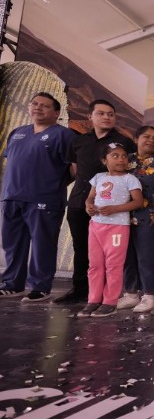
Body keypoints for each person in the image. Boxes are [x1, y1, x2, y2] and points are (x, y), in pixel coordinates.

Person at [55, 99, 136, 304]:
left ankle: (107, 295)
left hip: (109, 209)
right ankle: (80, 290)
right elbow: (74, 171)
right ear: (90, 117)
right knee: (81, 248)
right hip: (79, 202)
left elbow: (129, 172)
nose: (106, 117)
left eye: (110, 114)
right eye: (101, 113)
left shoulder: (124, 142)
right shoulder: (79, 141)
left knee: (110, 254)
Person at [0, 93, 75, 300]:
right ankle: (12, 284)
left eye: (45, 106)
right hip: (12, 196)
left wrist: (52, 185)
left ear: (56, 113)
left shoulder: (64, 135)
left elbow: (74, 169)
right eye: (34, 104)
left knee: (43, 245)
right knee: (12, 244)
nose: (38, 108)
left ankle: (39, 287)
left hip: (45, 199)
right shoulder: (17, 133)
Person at [77, 143, 143, 318]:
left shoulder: (130, 179)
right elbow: (90, 197)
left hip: (117, 227)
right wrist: (89, 206)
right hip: (96, 225)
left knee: (113, 265)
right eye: (115, 156)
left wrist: (115, 209)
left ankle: (110, 302)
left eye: (124, 156)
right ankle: (93, 299)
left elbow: (137, 202)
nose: (121, 159)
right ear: (104, 160)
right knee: (95, 265)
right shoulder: (98, 177)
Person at [117, 126, 154, 314]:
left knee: (146, 256)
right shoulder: (126, 160)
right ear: (136, 139)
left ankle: (149, 296)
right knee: (127, 256)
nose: (151, 140)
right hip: (123, 216)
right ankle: (131, 294)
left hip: (150, 218)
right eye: (146, 137)